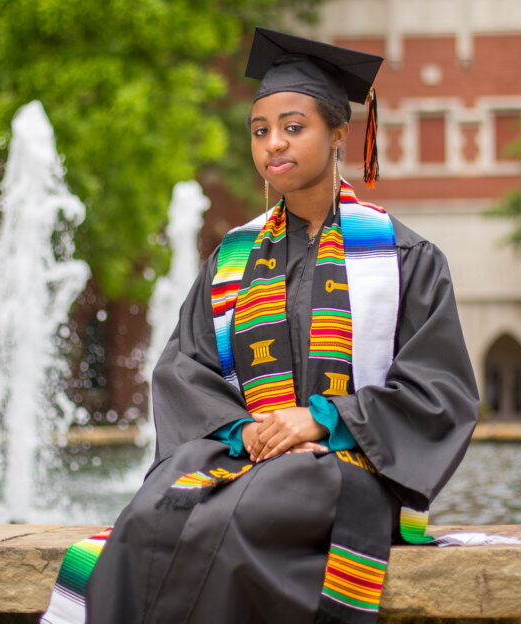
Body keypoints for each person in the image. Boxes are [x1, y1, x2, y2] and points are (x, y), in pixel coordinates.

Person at [43, 27, 478, 624]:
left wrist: (322, 419)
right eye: (260, 130)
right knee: (149, 515)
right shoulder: (232, 260)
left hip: (345, 467)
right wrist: (241, 432)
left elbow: (440, 391)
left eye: (294, 127)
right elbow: (183, 368)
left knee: (232, 519)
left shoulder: (404, 260)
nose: (274, 143)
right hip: (240, 456)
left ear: (338, 135)